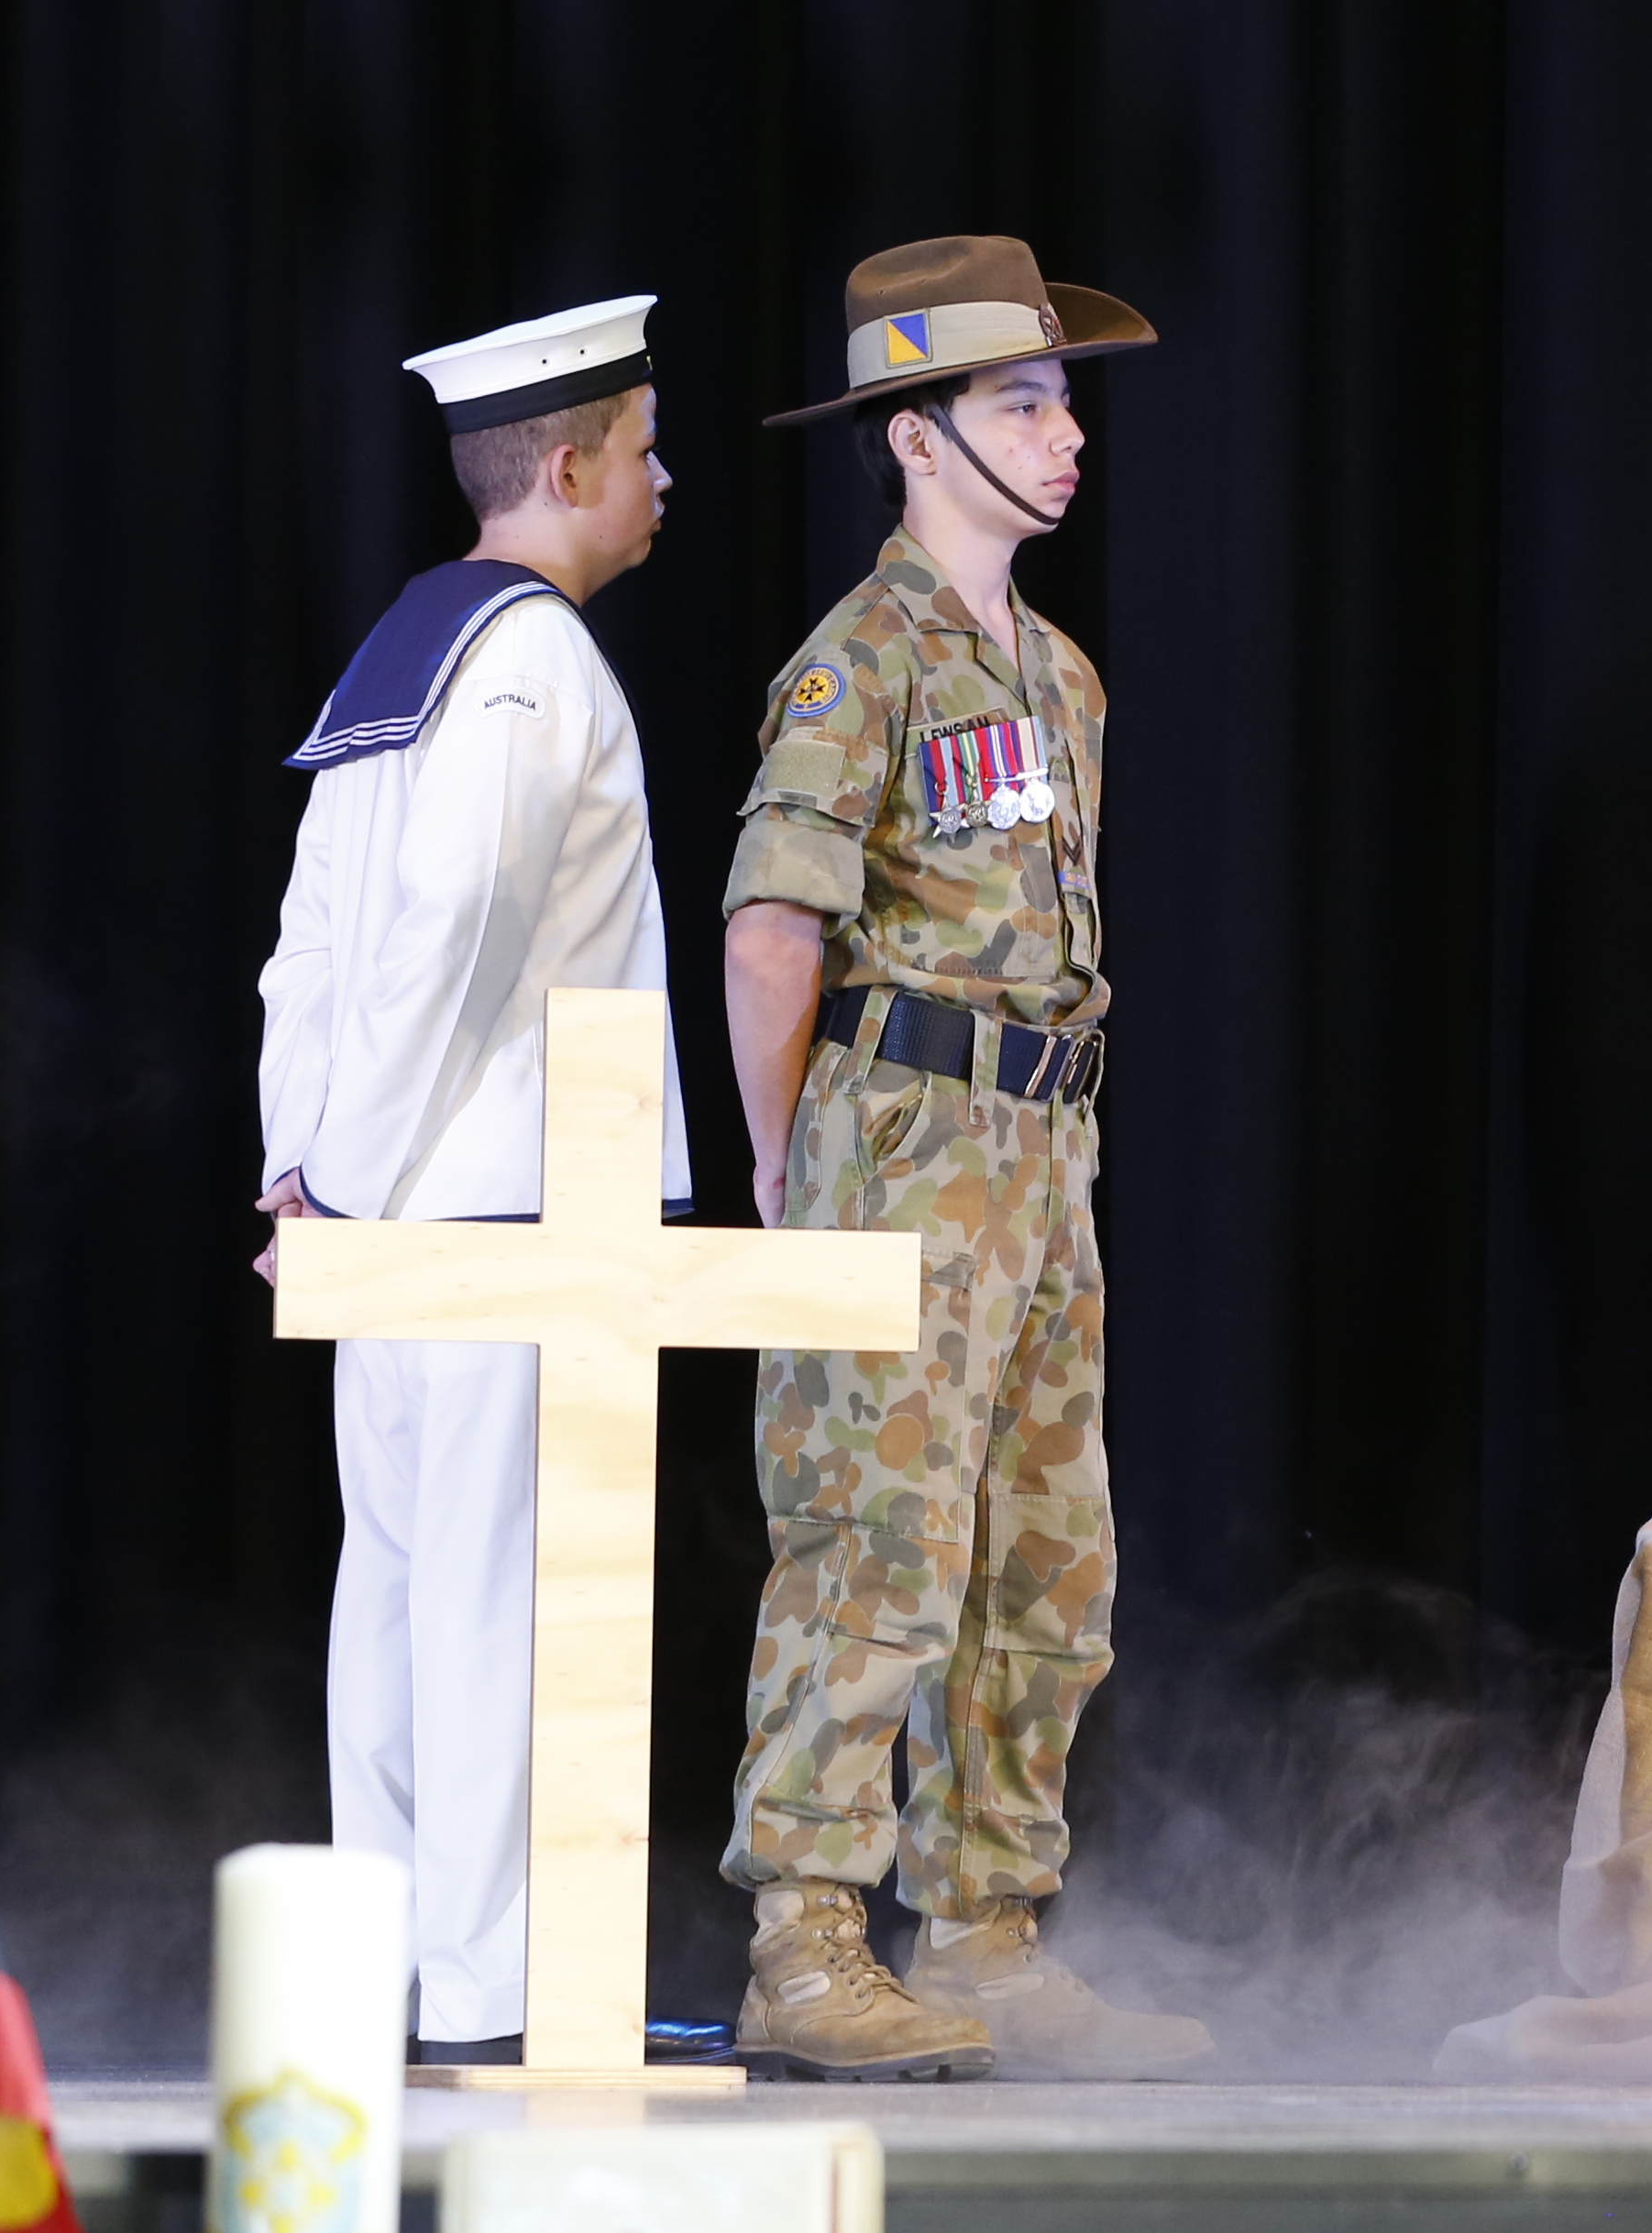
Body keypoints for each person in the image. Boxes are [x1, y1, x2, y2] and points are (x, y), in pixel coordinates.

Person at [714, 236, 1209, 2081]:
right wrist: (787, 1166)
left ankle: (984, 1929)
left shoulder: (1058, 674)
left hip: (1042, 1138)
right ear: (918, 439)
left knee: (1040, 1551)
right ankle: (803, 1941)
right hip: (905, 1131)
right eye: (1024, 403)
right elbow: (776, 933)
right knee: (872, 1540)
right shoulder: (863, 661)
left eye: (1064, 400)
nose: (1067, 434)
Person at [255, 294, 685, 2061]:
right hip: (504, 1201)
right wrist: (347, 1187)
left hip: (394, 1209)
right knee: (500, 1598)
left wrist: (302, 1171)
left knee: (408, 1589)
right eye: (646, 451)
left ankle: (412, 1975)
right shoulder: (531, 662)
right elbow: (451, 926)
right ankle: (500, 1992)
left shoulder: (406, 645)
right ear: (569, 465)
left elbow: (307, 949)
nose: (664, 482)